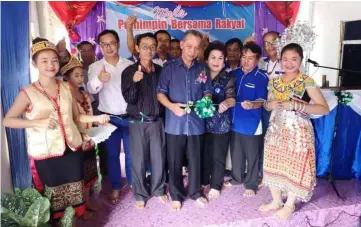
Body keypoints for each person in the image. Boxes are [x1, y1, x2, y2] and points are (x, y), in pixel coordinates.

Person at [3, 38, 109, 220]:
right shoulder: (28, 92)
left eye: (54, 60)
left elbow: (77, 117)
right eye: (44, 61)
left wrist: (97, 118)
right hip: (47, 152)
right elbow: (8, 121)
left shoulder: (66, 87)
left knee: (75, 191)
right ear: (35, 64)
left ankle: (73, 221)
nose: (50, 65)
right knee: (54, 197)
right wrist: (38, 123)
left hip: (72, 148)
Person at [259, 43, 329, 220]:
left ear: (301, 60)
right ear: (281, 60)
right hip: (276, 130)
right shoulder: (274, 82)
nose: (289, 63)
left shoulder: (306, 81)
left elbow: (324, 109)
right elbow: (268, 104)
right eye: (285, 59)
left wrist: (297, 104)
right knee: (273, 164)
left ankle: (289, 205)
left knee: (294, 167)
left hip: (298, 132)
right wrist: (270, 104)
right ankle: (276, 200)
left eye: (294, 59)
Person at [157, 30, 213, 211]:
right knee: (174, 161)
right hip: (175, 123)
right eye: (189, 46)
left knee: (195, 160)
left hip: (196, 123)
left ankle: (195, 192)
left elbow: (207, 91)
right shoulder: (169, 68)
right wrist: (172, 107)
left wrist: (207, 100)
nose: (192, 51)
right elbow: (160, 93)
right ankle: (176, 194)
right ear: (181, 45)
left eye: (196, 48)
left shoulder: (203, 69)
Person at [122, 33, 168, 209]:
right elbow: (129, 99)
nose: (149, 50)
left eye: (152, 46)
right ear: (137, 48)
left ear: (156, 49)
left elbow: (165, 95)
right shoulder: (128, 71)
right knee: (138, 160)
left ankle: (157, 190)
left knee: (159, 158)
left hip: (157, 122)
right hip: (137, 122)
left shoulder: (161, 71)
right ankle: (140, 194)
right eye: (145, 46)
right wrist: (134, 82)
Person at [87, 29, 133, 203]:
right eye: (104, 44)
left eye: (112, 43)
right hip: (108, 118)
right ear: (100, 46)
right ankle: (115, 186)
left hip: (129, 117)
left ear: (118, 44)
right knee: (112, 155)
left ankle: (133, 184)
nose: (109, 47)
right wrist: (100, 79)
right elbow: (91, 89)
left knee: (131, 155)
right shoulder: (95, 67)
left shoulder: (129, 65)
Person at [224, 42, 269, 198]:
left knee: (252, 155)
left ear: (257, 60)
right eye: (244, 57)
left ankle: (251, 183)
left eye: (251, 58)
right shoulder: (233, 74)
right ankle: (237, 178)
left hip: (252, 122)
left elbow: (262, 101)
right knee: (236, 153)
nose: (246, 61)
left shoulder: (261, 77)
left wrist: (252, 105)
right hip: (234, 121)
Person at [62, 56, 101, 215]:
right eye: (76, 75)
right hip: (74, 140)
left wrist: (96, 125)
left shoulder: (84, 93)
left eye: (81, 75)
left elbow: (89, 115)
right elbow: (72, 119)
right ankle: (78, 210)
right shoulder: (65, 96)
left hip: (88, 138)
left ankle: (87, 203)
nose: (80, 79)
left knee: (89, 172)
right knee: (77, 176)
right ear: (66, 77)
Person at [201, 42, 235, 199]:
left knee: (218, 156)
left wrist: (226, 103)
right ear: (206, 59)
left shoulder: (228, 77)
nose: (216, 61)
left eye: (220, 58)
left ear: (225, 60)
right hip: (200, 124)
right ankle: (203, 181)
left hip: (221, 124)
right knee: (204, 154)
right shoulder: (200, 75)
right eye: (213, 57)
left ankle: (216, 184)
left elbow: (232, 98)